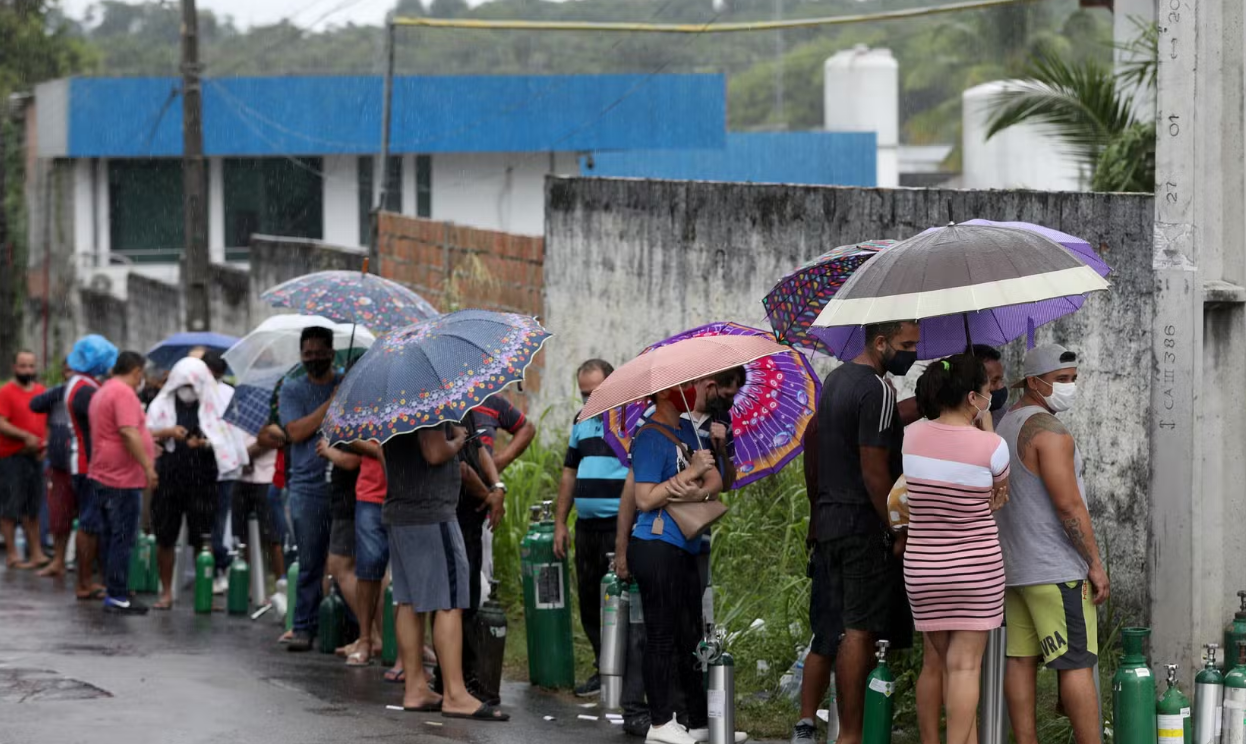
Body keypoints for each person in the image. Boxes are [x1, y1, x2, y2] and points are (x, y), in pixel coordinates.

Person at [810, 320, 919, 744]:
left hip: (831, 520)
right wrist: (898, 528)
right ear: (880, 342)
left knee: (843, 628)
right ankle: (851, 735)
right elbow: (874, 472)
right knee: (860, 630)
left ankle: (849, 730)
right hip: (861, 524)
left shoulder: (836, 380)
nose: (913, 352)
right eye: (907, 344)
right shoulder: (877, 389)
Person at [995, 345, 1107, 744]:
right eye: (1061, 379)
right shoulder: (1050, 432)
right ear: (1033, 381)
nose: (1069, 386)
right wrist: (1094, 563)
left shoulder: (1004, 425)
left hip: (1015, 570)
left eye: (1073, 379)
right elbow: (1069, 505)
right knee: (1076, 661)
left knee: (1020, 660)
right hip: (1056, 568)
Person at [903, 354, 1010, 744]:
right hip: (976, 572)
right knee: (965, 668)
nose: (989, 397)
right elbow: (1000, 492)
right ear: (971, 397)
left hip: (923, 572)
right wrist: (986, 426)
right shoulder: (993, 446)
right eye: (985, 391)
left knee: (945, 665)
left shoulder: (911, 436)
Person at [628, 382, 736, 744]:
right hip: (656, 545)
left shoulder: (682, 433)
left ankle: (697, 720)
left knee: (690, 637)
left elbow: (714, 481)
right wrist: (689, 474)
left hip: (685, 547)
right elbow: (644, 499)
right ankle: (660, 723)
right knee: (660, 636)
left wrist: (699, 485)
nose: (692, 391)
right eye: (684, 386)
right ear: (663, 393)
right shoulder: (649, 436)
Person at [382, 422, 509, 722]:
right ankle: (455, 694)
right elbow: (434, 451)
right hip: (432, 512)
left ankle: (415, 688)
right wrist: (458, 440)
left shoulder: (394, 404)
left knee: (408, 601)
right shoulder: (428, 400)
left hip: (401, 510)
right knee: (449, 601)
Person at [552, 360, 631, 700]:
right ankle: (603, 668)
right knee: (589, 600)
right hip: (586, 528)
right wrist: (560, 522)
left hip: (619, 525)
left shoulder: (631, 418)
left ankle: (627, 673)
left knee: (622, 598)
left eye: (595, 393)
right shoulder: (580, 421)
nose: (589, 400)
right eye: (584, 394)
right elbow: (569, 472)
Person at [147, 357, 247, 610]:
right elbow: (145, 432)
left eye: (193, 384)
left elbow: (226, 439)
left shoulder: (214, 404)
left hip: (203, 477)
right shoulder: (161, 404)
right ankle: (166, 592)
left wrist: (204, 442)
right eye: (184, 384)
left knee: (204, 538)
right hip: (169, 476)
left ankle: (205, 593)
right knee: (165, 536)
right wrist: (169, 432)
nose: (188, 390)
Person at [279, 326, 340, 651]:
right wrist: (330, 404)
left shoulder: (346, 383)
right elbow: (296, 431)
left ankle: (343, 626)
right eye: (308, 354)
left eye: (319, 353)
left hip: (343, 483)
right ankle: (303, 625)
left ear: (332, 353)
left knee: (344, 562)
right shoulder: (292, 389)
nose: (313, 359)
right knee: (310, 561)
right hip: (306, 488)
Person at [88, 351, 157, 614]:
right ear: (137, 371)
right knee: (123, 537)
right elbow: (128, 431)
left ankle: (114, 590)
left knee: (110, 535)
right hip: (122, 477)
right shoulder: (123, 393)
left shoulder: (104, 391)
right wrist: (148, 466)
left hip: (103, 472)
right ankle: (117, 593)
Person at [63, 335, 118, 600]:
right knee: (89, 523)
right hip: (88, 464)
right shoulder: (85, 390)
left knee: (94, 522)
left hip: (88, 462)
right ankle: (84, 582)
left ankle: (93, 580)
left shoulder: (82, 384)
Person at [469, 392, 534, 589]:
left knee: (479, 580)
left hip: (482, 509)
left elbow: (527, 428)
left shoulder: (489, 399)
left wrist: (498, 462)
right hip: (449, 508)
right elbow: (461, 467)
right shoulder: (444, 405)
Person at [0, 350, 50, 570]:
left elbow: (46, 422)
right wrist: (24, 436)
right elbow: (1, 422)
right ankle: (12, 555)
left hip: (35, 457)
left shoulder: (41, 392)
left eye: (31, 366)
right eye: (23, 366)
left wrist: (44, 444)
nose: (27, 370)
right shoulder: (5, 392)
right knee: (10, 508)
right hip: (11, 457)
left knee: (33, 507)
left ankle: (36, 553)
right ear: (14, 368)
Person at [28, 358, 76, 577]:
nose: (70, 374)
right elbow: (35, 404)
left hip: (84, 465)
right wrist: (65, 388)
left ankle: (88, 566)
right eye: (67, 370)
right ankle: (58, 560)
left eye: (74, 370)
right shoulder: (57, 394)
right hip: (59, 463)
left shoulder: (91, 391)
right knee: (59, 514)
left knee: (88, 518)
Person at [203, 350, 237, 591]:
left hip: (220, 466)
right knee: (213, 521)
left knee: (216, 521)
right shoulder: (226, 392)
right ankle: (214, 569)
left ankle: (217, 567)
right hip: (212, 466)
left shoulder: (224, 393)